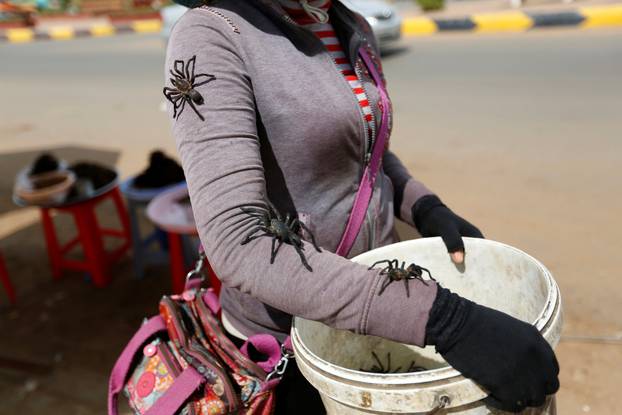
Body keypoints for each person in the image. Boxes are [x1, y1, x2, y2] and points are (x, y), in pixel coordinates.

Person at [163, 0, 559, 412]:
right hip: (293, 344)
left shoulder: (352, 26)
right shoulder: (213, 35)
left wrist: (425, 206)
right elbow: (240, 243)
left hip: (381, 309)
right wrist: (447, 320)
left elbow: (370, 153)